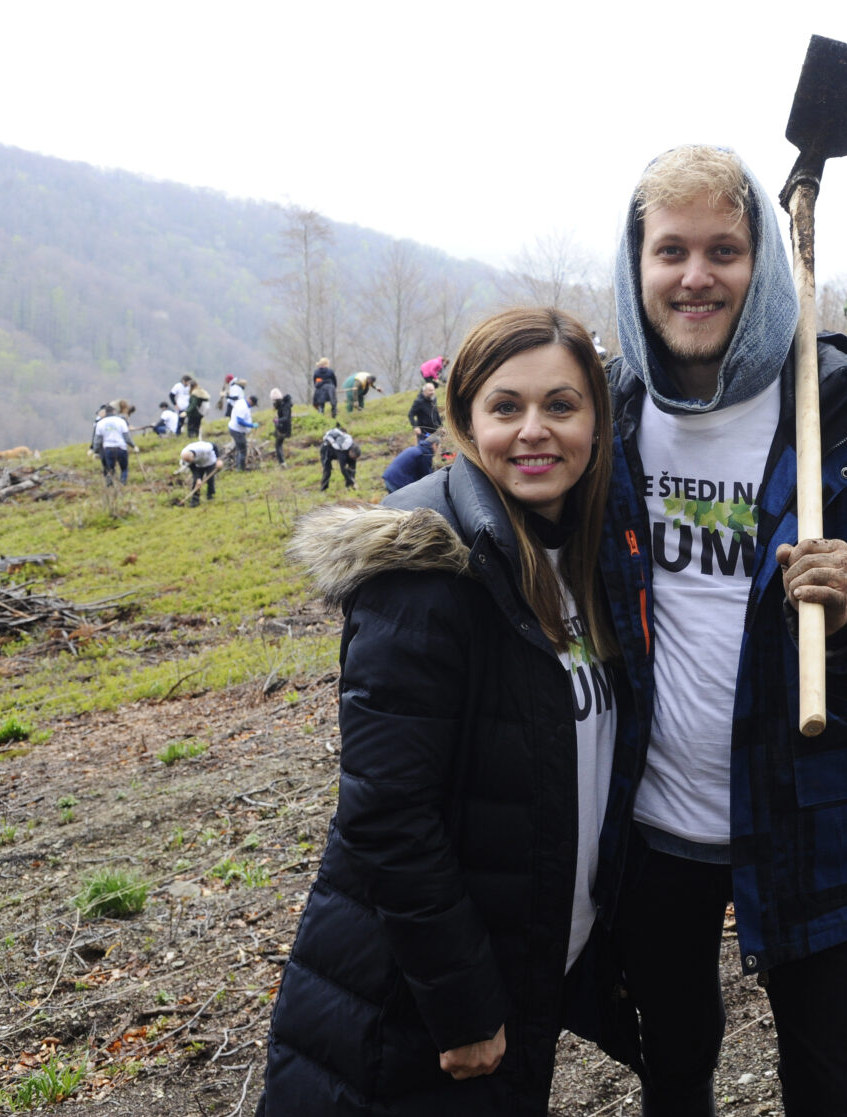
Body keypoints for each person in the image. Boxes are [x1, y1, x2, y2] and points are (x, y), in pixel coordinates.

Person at [600, 144, 847, 1117]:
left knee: (827, 1081)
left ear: (761, 262)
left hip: (818, 814)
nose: (694, 275)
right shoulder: (606, 415)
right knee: (671, 1069)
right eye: (669, 249)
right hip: (651, 825)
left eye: (722, 249)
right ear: (634, 264)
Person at [260, 307, 640, 1116]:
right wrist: (464, 1004)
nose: (534, 431)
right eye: (507, 407)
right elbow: (387, 816)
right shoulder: (428, 570)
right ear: (466, 419)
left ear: (598, 422)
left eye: (562, 406)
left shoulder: (581, 556)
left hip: (518, 975)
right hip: (413, 1010)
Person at [94, 406, 138, 484]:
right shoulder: (121, 421)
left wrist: (96, 451)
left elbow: (98, 440)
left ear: (105, 413)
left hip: (108, 448)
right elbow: (126, 437)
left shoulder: (100, 423)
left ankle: (110, 486)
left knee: (109, 469)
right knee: (124, 468)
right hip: (121, 448)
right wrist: (133, 446)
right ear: (114, 411)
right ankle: (123, 483)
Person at [178, 441, 221, 505]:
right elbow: (193, 468)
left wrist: (218, 460)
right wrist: (198, 478)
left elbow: (214, 446)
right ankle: (195, 500)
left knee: (210, 479)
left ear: (193, 456)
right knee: (196, 482)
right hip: (198, 465)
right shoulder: (184, 455)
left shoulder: (204, 448)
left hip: (210, 461)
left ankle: (210, 496)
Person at [318, 424, 358, 490]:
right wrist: (352, 482)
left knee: (352, 467)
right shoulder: (341, 450)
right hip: (326, 451)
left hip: (336, 450)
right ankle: (323, 488)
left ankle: (349, 487)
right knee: (327, 471)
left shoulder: (350, 445)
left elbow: (352, 468)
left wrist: (352, 479)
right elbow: (343, 469)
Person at [227, 393, 259, 471]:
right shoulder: (242, 407)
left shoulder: (244, 403)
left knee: (239, 449)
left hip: (237, 430)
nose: (252, 406)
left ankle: (239, 466)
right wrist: (251, 425)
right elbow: (240, 421)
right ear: (250, 401)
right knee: (242, 450)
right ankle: (241, 469)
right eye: (253, 404)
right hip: (237, 431)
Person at [270, 388, 293, 465]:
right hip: (281, 426)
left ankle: (282, 462)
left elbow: (286, 417)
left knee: (278, 445)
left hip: (283, 428)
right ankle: (282, 461)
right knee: (279, 444)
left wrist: (278, 420)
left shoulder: (285, 406)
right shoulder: (283, 404)